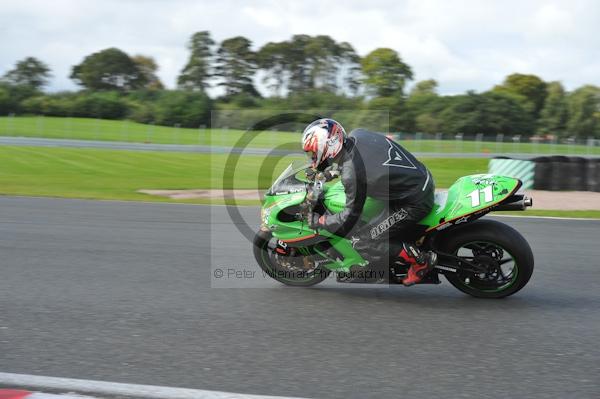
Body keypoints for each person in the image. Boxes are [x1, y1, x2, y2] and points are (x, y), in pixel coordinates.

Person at [301, 118, 437, 286]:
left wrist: (321, 221)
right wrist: (330, 173)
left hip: (413, 201)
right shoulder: (357, 135)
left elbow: (350, 216)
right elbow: (363, 162)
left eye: (314, 153)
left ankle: (421, 261)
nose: (313, 158)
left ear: (327, 146)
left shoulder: (352, 176)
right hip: (419, 177)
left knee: (364, 241)